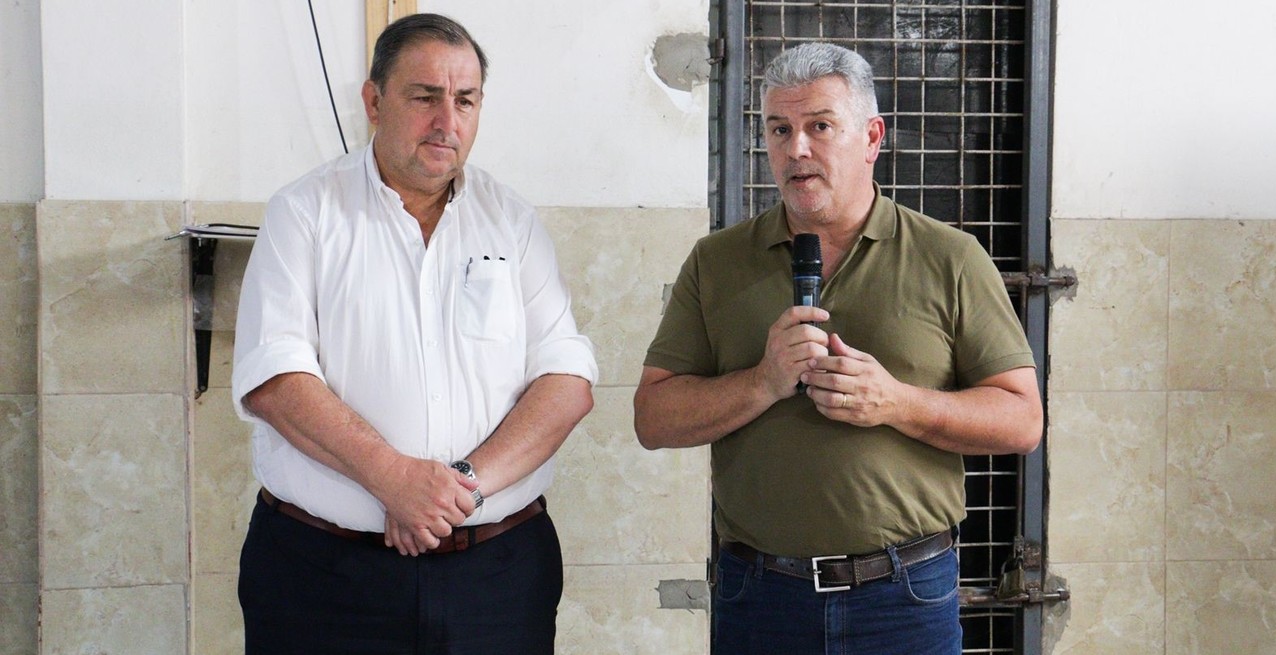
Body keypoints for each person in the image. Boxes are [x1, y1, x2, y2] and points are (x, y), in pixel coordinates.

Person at [634, 42, 1043, 654]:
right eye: (780, 129)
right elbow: (652, 418)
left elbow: (1022, 420)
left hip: (903, 598)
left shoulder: (951, 258)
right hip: (760, 598)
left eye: (819, 126)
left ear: (872, 137)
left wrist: (896, 402)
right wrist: (762, 382)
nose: (796, 149)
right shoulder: (716, 262)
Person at [231, 13, 597, 654]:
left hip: (498, 576)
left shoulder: (512, 222)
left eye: (465, 100)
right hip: (322, 577)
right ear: (374, 102)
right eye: (425, 97)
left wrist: (456, 489)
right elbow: (275, 379)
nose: (446, 121)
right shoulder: (305, 212)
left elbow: (566, 382)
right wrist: (392, 478)